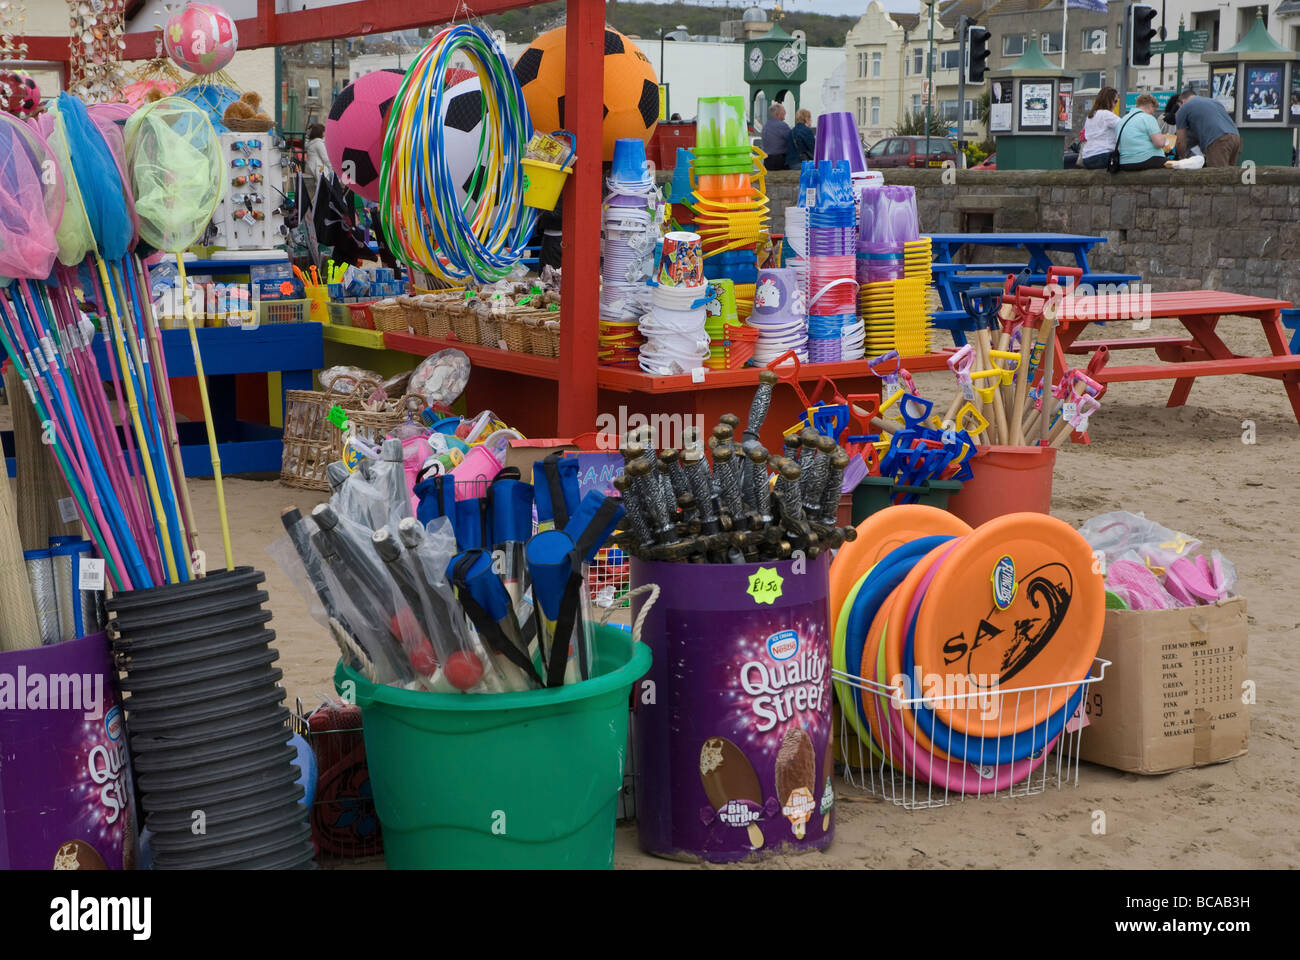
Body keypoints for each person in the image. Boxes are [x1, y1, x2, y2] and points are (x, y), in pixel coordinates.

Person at [1175, 89, 1241, 167]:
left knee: (1217, 175)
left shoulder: (1183, 108)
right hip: (1236, 137)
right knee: (1230, 175)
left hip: (1218, 140)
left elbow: (1180, 141)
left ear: (1182, 102)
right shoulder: (1214, 102)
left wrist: (1182, 159)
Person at [1115, 93, 1173, 171]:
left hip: (1124, 162)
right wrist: (1164, 139)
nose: (1153, 113)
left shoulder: (1123, 119)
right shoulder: (1148, 118)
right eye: (1154, 109)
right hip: (1145, 159)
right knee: (1176, 165)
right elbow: (1159, 143)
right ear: (1150, 105)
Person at [1078, 86, 1120, 169]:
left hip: (1087, 158)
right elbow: (1125, 126)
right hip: (1103, 155)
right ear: (1108, 101)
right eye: (1115, 101)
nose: (1115, 105)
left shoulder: (1090, 116)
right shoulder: (1106, 114)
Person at [304, 122, 329, 201]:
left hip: (310, 167)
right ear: (320, 132)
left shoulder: (311, 143)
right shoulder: (318, 143)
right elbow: (326, 159)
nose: (325, 133)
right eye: (324, 131)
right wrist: (333, 168)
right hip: (317, 168)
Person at [761, 103, 790, 170]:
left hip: (767, 160)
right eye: (784, 112)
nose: (785, 113)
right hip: (780, 160)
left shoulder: (765, 126)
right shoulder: (782, 126)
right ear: (778, 114)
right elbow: (791, 140)